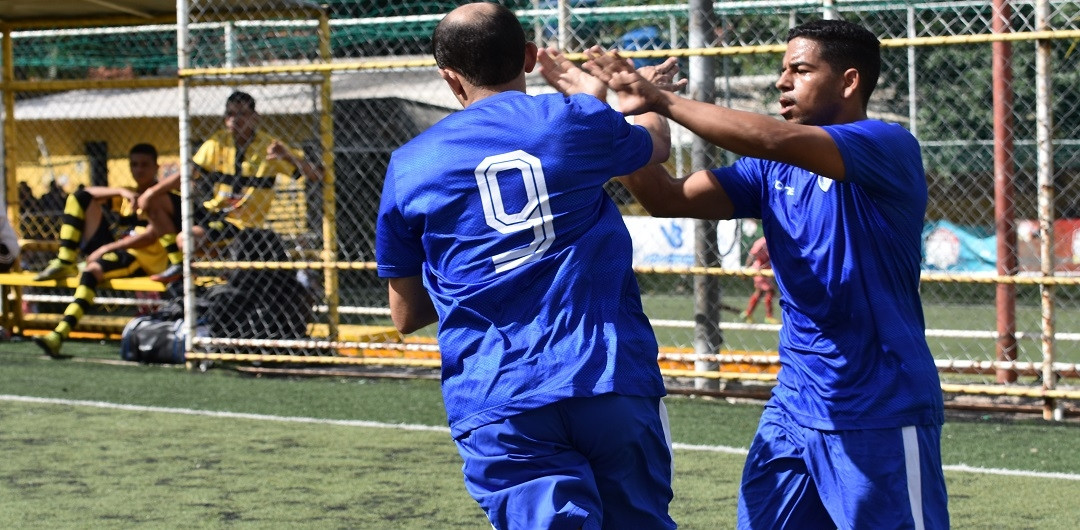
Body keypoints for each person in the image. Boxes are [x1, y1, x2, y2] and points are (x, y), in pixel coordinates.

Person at [560, 18, 948, 529]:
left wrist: (665, 101)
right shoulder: (772, 171)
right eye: (782, 69)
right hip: (795, 404)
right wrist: (622, 115)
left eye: (800, 70)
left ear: (850, 82)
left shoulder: (887, 145)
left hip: (878, 407)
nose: (782, 81)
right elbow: (665, 197)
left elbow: (770, 138)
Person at [375, 4, 677, 529]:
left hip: (498, 392)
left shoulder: (411, 163)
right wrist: (639, 100)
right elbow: (657, 144)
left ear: (449, 78)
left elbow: (406, 315)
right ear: (531, 57)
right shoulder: (575, 120)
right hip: (606, 376)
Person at [140, 90, 322, 283]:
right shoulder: (217, 142)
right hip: (213, 211)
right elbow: (187, 173)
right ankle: (182, 265)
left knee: (186, 239)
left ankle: (219, 260)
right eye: (230, 114)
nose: (235, 120)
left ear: (255, 118)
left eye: (242, 114)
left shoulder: (270, 147)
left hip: (240, 222)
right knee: (157, 200)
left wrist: (288, 156)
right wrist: (150, 192)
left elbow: (316, 175)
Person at [32, 143, 181, 359]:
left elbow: (151, 235)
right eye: (134, 165)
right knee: (78, 198)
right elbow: (87, 193)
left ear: (156, 167)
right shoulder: (129, 197)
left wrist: (107, 247)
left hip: (141, 259)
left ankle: (59, 333)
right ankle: (66, 260)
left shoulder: (159, 198)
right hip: (118, 253)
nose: (138, 170)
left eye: (144, 165)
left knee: (92, 271)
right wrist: (120, 191)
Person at [741, 235, 778, 324]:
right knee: (770, 291)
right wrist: (746, 270)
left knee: (759, 292)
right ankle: (769, 316)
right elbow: (752, 255)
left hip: (766, 270)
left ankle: (748, 313)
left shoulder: (774, 241)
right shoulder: (761, 242)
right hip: (759, 270)